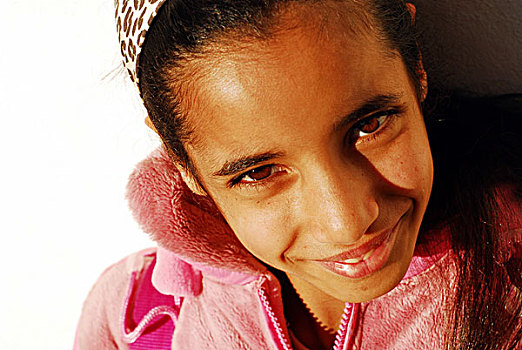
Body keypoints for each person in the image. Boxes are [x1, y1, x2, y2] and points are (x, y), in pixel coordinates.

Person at [75, 0, 522, 349]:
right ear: (180, 160)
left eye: (369, 125)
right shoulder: (136, 323)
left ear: (415, 67)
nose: (346, 222)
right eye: (260, 172)